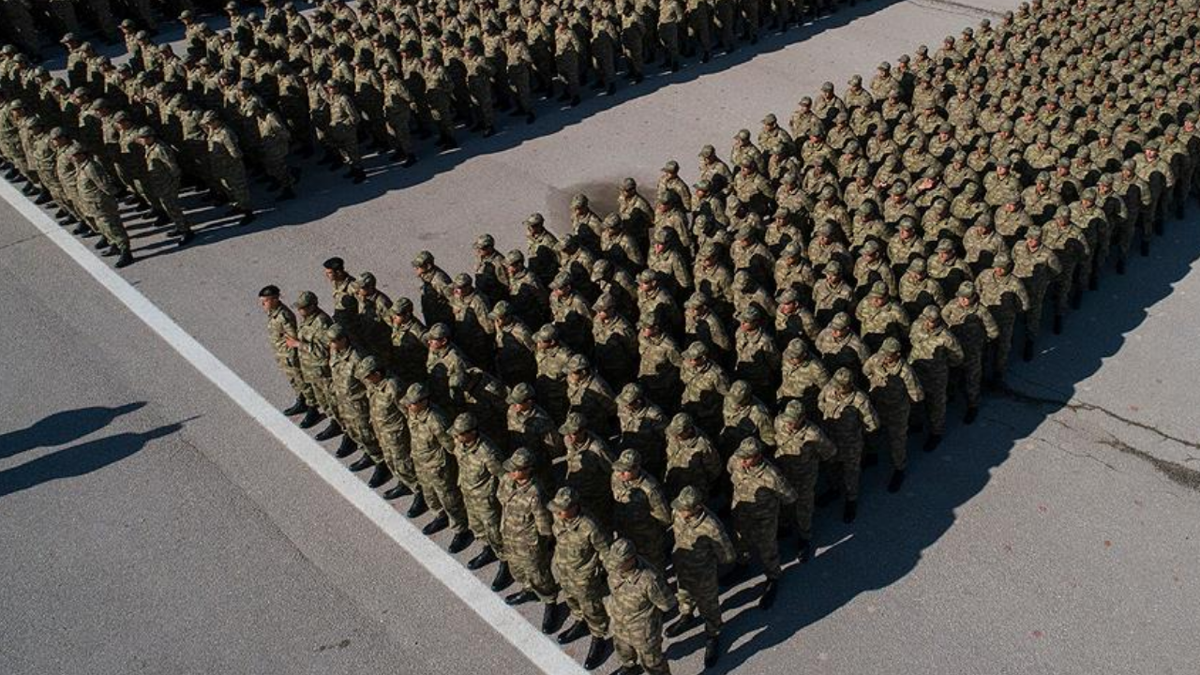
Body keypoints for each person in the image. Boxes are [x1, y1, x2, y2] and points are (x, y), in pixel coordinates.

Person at [666, 485, 735, 667]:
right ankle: (686, 615)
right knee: (683, 594)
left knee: (709, 606)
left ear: (697, 507)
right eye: (679, 508)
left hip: (703, 574)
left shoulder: (711, 527)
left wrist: (706, 562)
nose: (680, 512)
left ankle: (713, 634)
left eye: (684, 509)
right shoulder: (677, 512)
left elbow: (727, 555)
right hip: (682, 566)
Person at [547, 487, 611, 670]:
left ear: (574, 507)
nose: (558, 513)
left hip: (584, 577)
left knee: (592, 608)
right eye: (557, 509)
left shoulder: (589, 527)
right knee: (571, 600)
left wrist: (607, 575)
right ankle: (580, 621)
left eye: (562, 509)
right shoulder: (558, 517)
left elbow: (605, 550)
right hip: (564, 570)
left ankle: (598, 637)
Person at [605, 538, 676, 675]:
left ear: (631, 559)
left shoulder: (649, 580)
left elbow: (666, 604)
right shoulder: (613, 566)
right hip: (619, 623)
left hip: (642, 632)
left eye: (619, 563)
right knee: (623, 651)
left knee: (652, 663)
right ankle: (630, 667)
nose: (614, 567)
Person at [259, 285, 306, 417]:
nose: (262, 304)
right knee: (293, 380)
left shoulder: (283, 316)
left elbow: (292, 338)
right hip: (282, 353)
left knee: (299, 380)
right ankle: (301, 399)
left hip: (288, 355)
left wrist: (289, 356)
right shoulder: (273, 312)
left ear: (275, 299)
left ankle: (307, 403)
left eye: (265, 301)